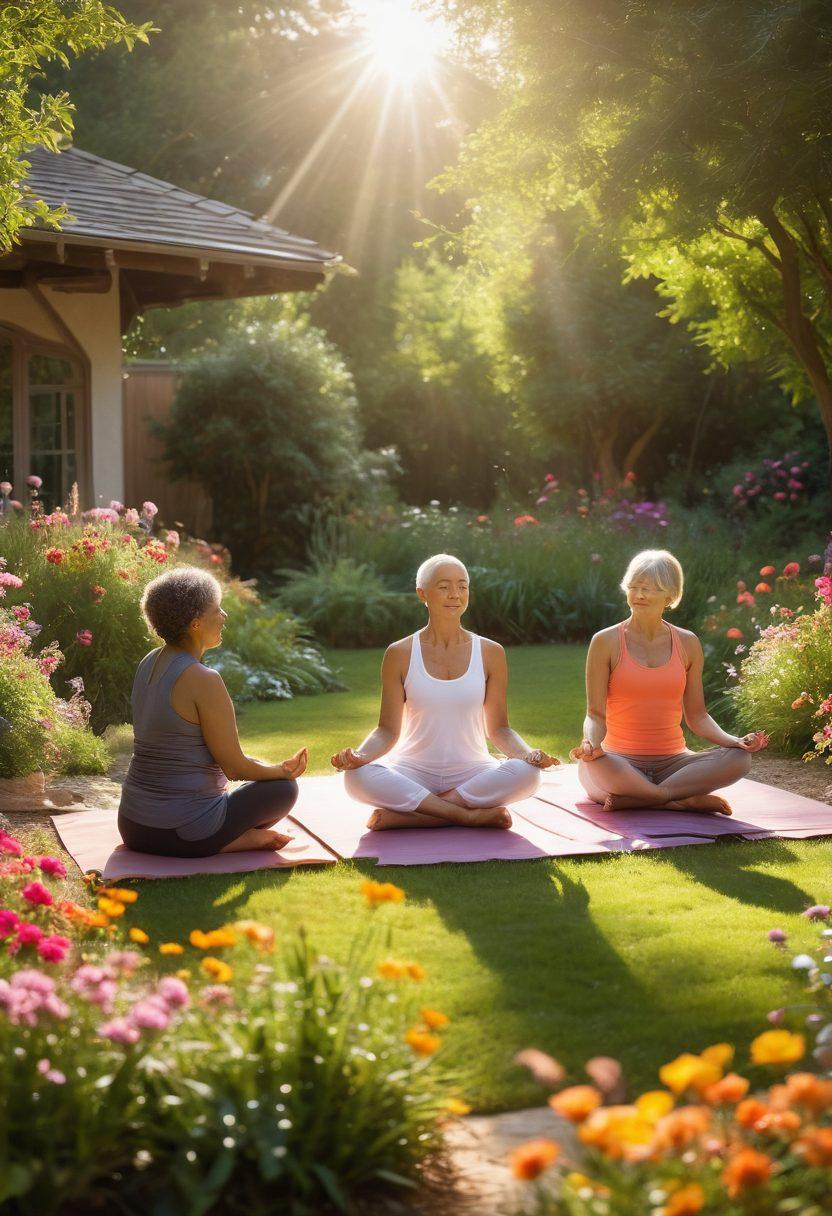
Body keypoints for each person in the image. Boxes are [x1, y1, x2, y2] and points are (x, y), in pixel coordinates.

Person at [331, 553, 557, 830]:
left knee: (528, 774)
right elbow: (387, 730)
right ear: (422, 593)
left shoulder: (491, 652)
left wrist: (530, 754)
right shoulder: (399, 653)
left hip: (473, 772)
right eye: (444, 586)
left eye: (463, 586)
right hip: (412, 771)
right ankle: (466, 815)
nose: (455, 594)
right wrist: (359, 756)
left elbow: (500, 729)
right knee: (356, 777)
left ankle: (419, 814)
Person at [118, 567, 307, 857]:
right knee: (283, 790)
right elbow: (235, 769)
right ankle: (237, 840)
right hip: (182, 833)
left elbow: (194, 750)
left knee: (266, 777)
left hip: (134, 827)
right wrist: (281, 772)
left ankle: (229, 836)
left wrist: (266, 768)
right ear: (195, 623)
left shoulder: (149, 662)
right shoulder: (203, 679)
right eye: (217, 610)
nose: (224, 617)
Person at [569, 549, 767, 815]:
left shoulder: (687, 643)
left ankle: (645, 797)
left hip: (674, 763)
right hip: (618, 763)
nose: (639, 595)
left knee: (740, 760)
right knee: (596, 767)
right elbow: (594, 714)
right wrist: (591, 744)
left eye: (649, 589)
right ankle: (679, 799)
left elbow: (697, 715)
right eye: (634, 587)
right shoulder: (605, 641)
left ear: (670, 595)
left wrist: (733, 740)